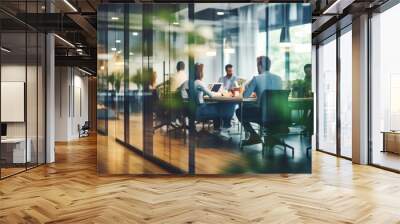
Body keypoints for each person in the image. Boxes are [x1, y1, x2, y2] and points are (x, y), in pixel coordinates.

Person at [236, 56, 283, 146]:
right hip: (278, 114)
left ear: (260, 66)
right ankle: (271, 136)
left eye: (257, 65)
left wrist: (248, 86)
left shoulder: (256, 78)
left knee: (239, 111)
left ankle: (254, 136)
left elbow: (245, 96)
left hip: (263, 115)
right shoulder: (279, 78)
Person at [193, 63, 235, 132]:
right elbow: (211, 95)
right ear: (200, 73)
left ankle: (218, 128)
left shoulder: (193, 82)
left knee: (218, 105)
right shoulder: (199, 83)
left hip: (196, 109)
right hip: (201, 110)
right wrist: (220, 93)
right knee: (224, 106)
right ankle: (225, 125)